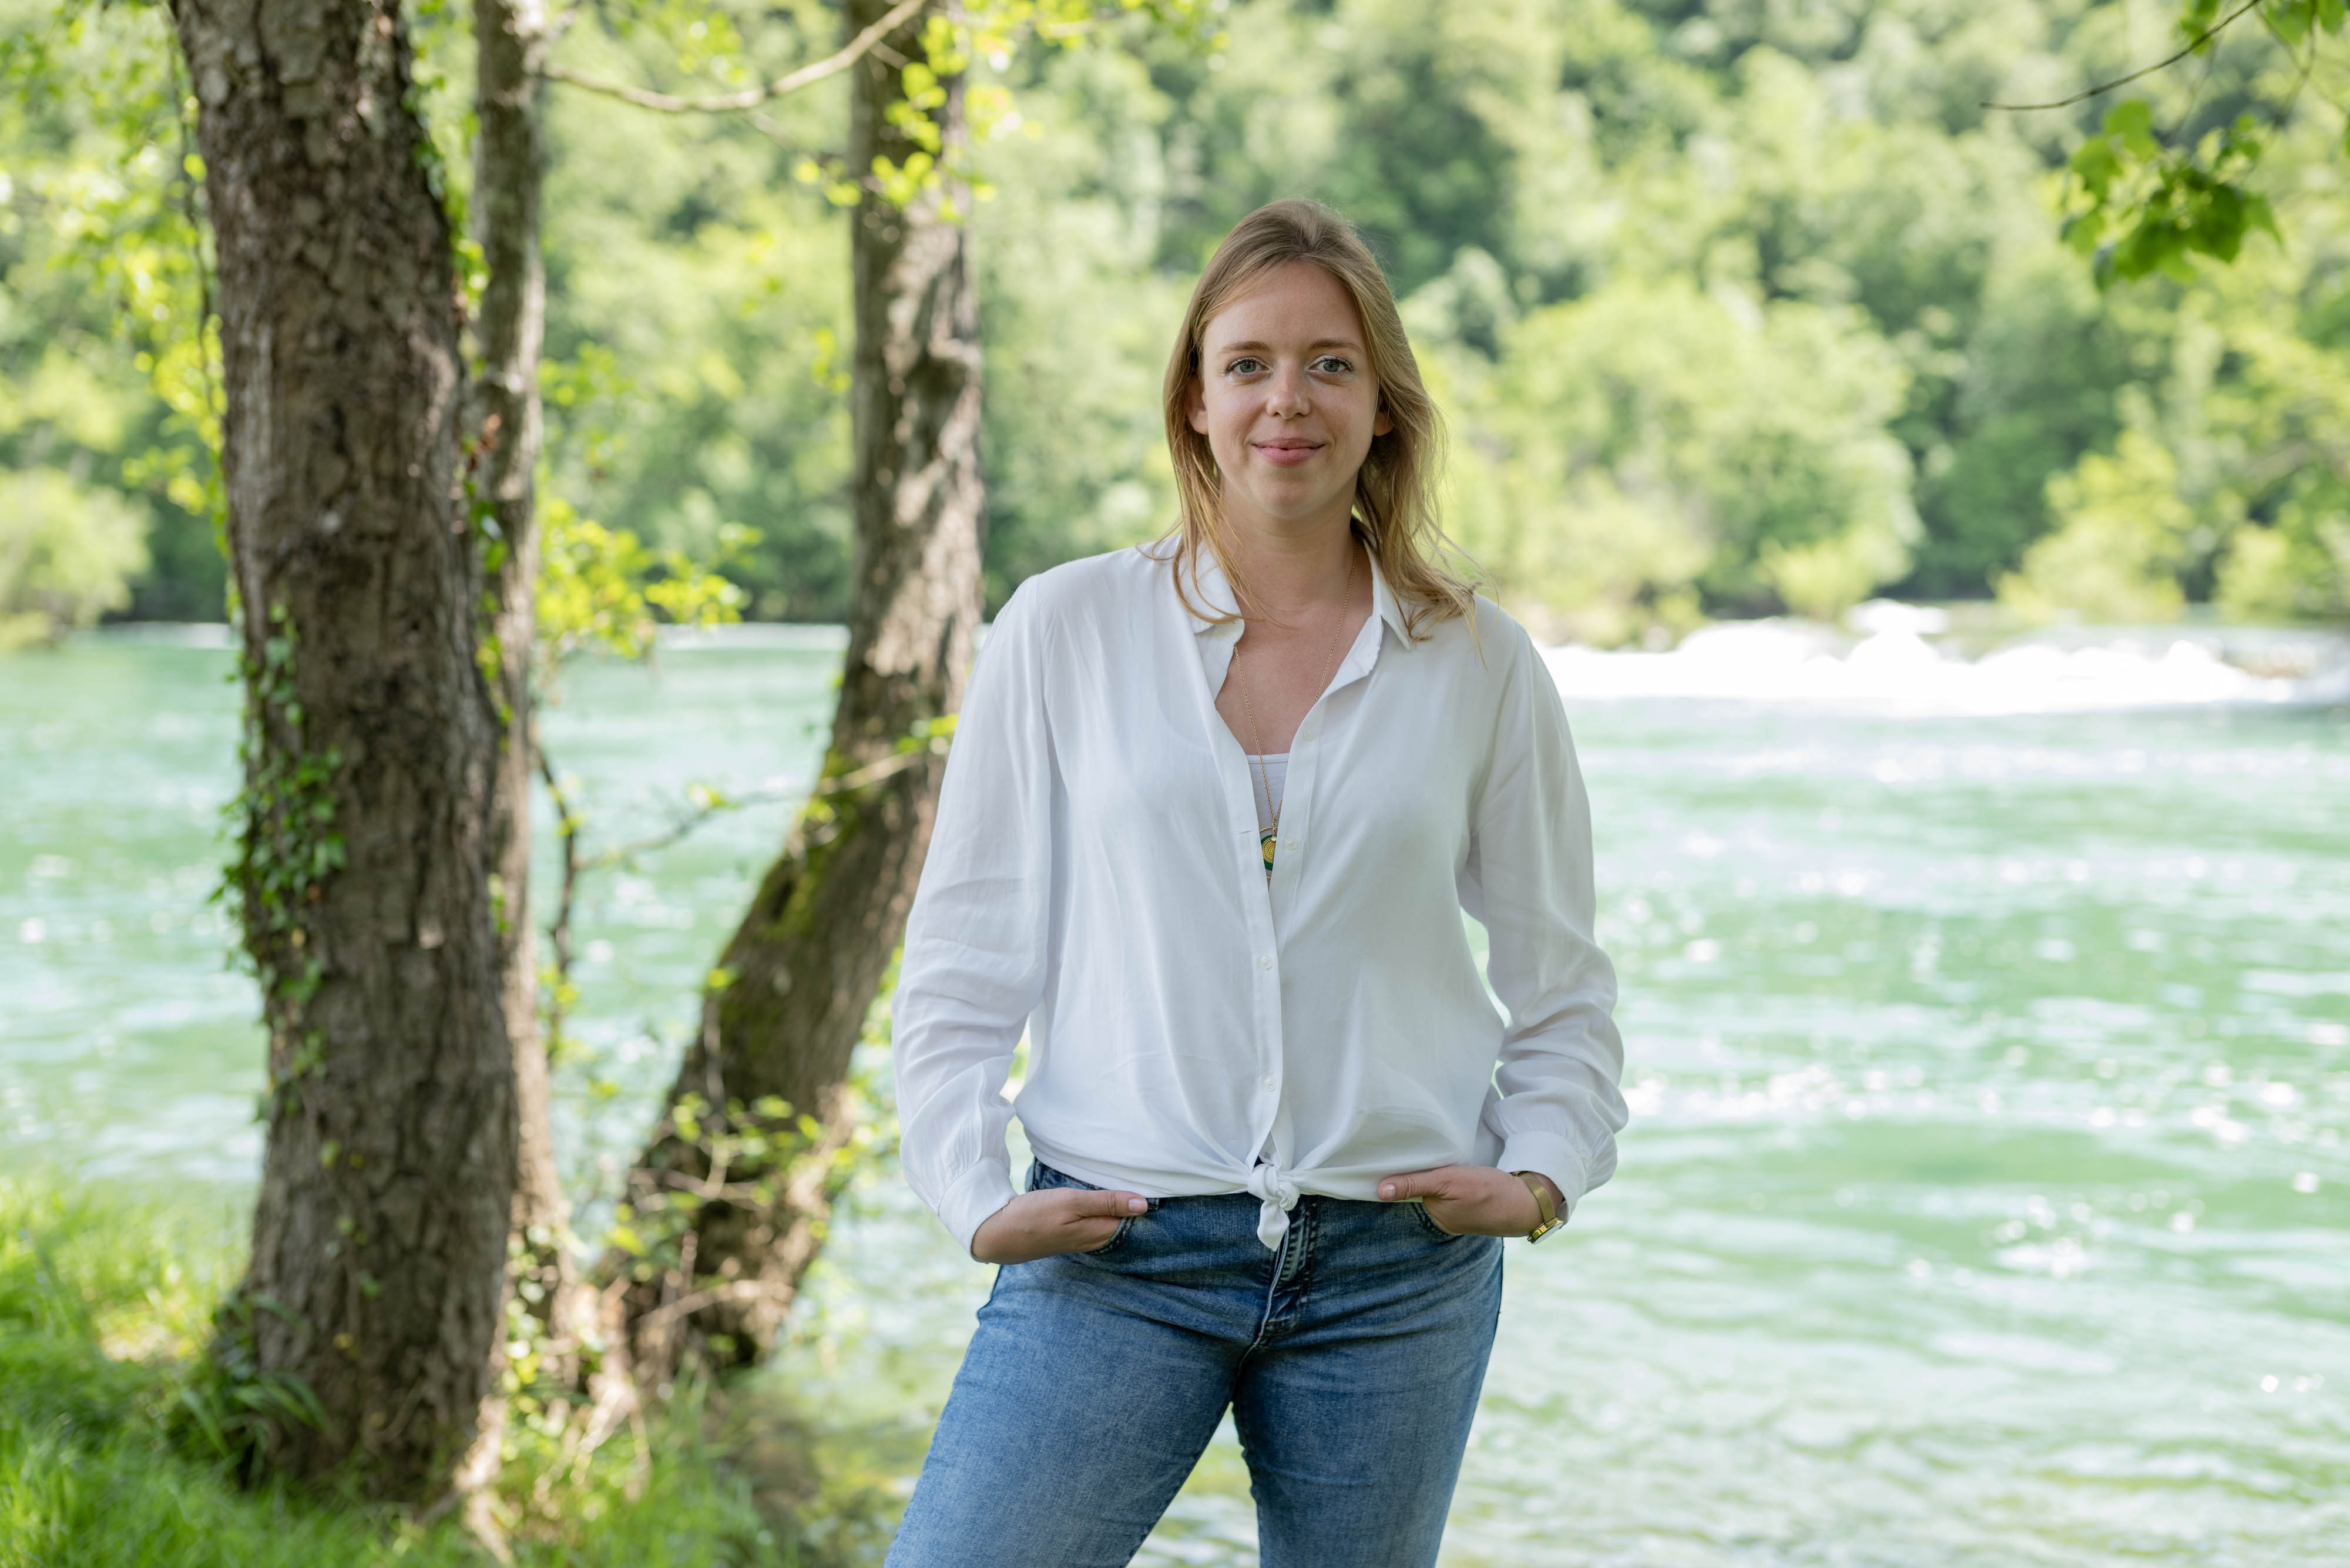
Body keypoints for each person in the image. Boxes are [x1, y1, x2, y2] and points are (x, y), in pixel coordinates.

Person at [882, 198, 1627, 1568]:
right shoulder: (1064, 628)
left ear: (1382, 405)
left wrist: (1540, 1176)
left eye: (1329, 364)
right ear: (1196, 400)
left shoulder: (1477, 662)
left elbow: (1559, 978)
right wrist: (965, 1190)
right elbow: (963, 957)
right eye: (1249, 363)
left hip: (1398, 1274)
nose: (1288, 398)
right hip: (1115, 1256)